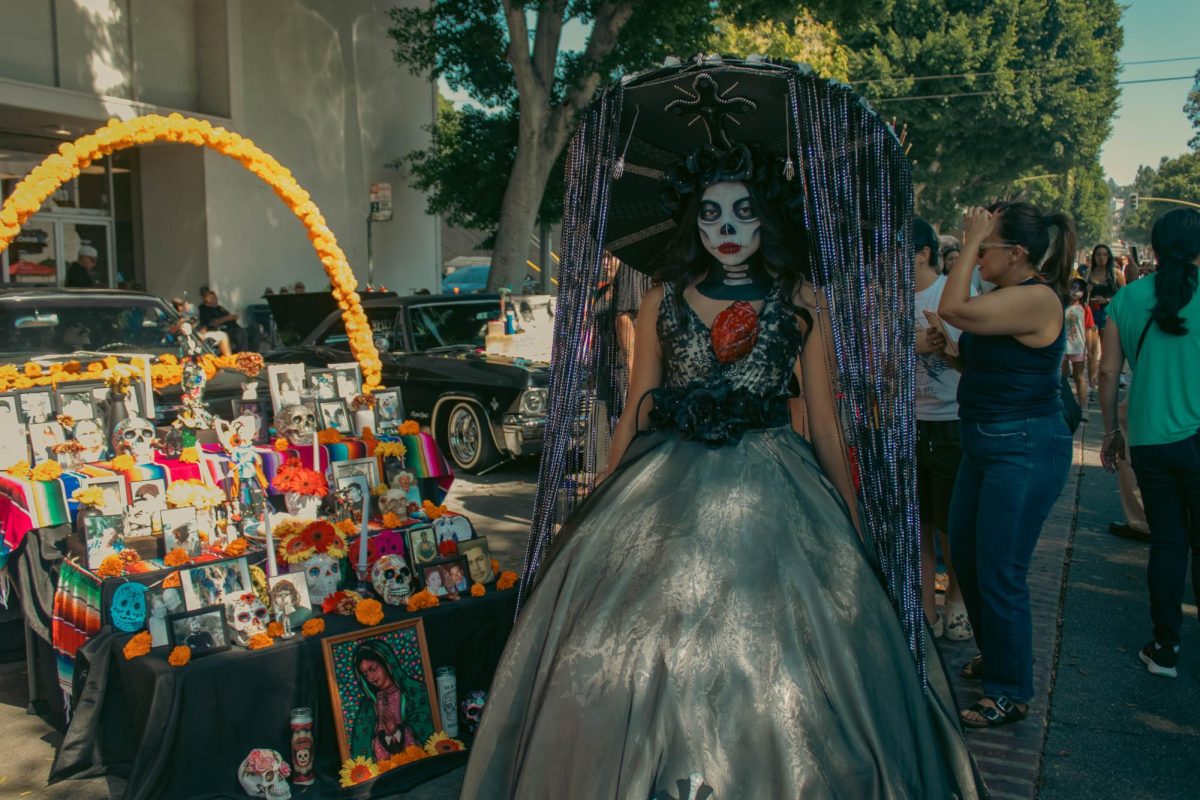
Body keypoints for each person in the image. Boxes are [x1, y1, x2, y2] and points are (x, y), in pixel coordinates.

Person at [461, 130, 981, 798]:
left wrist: (853, 523)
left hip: (777, 487)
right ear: (691, 221)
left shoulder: (800, 301)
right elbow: (639, 408)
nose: (727, 228)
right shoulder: (661, 302)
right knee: (652, 643)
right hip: (664, 486)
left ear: (767, 217)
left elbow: (823, 420)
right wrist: (601, 503)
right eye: (711, 213)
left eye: (743, 211)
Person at [938, 201, 1075, 728]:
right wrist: (948, 354)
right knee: (968, 562)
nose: (978, 256)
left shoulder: (1038, 299)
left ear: (1016, 253)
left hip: (1022, 449)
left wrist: (967, 242)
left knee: (1000, 571)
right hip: (987, 445)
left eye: (987, 248)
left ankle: (1010, 692)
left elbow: (954, 307)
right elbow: (981, 357)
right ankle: (1000, 659)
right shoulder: (1005, 298)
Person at [1099, 208, 1200, 678]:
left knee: (1167, 544)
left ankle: (1165, 648)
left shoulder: (1128, 298)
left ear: (1154, 249)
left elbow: (1107, 371)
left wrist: (1111, 431)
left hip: (1149, 439)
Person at [912, 218, 973, 642]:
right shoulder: (888, 296)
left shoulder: (947, 291)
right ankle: (925, 609)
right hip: (908, 421)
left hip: (951, 420)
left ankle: (957, 602)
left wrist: (940, 342)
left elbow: (967, 351)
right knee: (919, 524)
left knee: (950, 524)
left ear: (923, 252)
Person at [349, 641, 434, 761]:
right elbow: (362, 743)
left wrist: (396, 731)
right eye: (366, 674)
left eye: (373, 669)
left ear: (386, 663)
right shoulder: (368, 706)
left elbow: (424, 728)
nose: (371, 678)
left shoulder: (414, 692)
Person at [1086, 244, 1126, 390]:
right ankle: (1091, 384)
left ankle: (1110, 381)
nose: (1101, 258)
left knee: (1108, 351)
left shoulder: (1115, 273)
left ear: (1108, 256)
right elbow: (1082, 294)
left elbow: (1124, 296)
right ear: (1093, 257)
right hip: (1091, 314)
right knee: (1091, 352)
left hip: (1108, 315)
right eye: (1098, 255)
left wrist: (1107, 300)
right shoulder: (1088, 273)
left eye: (1104, 254)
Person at [1063, 278, 1089, 415]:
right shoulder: (1062, 305)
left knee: (1079, 377)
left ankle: (1083, 407)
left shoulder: (1085, 308)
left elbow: (1090, 329)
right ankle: (1064, 405)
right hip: (1062, 347)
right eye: (1072, 288)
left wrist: (1090, 348)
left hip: (1078, 346)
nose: (1075, 292)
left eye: (1078, 289)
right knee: (1062, 378)